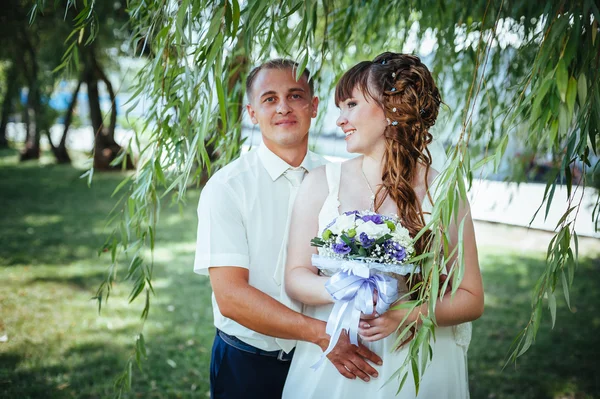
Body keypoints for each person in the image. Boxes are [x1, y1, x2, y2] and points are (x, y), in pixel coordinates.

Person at [282, 52, 484, 398]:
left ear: (391, 108)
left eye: (350, 105)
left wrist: (410, 313)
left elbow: (471, 298)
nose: (340, 120)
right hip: (340, 355)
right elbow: (295, 276)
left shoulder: (443, 191)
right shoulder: (320, 183)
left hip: (414, 362)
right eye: (339, 108)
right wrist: (343, 290)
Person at [193, 59, 382, 399]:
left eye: (295, 96)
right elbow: (231, 298)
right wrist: (322, 334)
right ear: (252, 113)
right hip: (247, 362)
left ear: (313, 107)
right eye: (269, 98)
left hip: (323, 362)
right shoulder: (227, 188)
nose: (283, 107)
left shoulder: (341, 180)